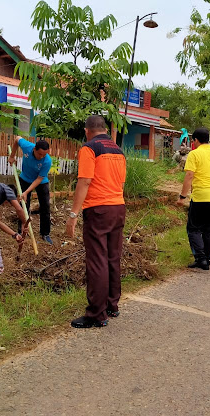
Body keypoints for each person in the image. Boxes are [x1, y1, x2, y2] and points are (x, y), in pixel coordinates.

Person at [66, 115, 127, 329]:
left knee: (97, 260)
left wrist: (73, 215)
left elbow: (84, 181)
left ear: (87, 130)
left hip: (98, 209)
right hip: (118, 207)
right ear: (104, 129)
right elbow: (120, 182)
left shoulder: (89, 148)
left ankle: (96, 314)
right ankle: (112, 305)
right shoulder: (118, 151)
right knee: (112, 257)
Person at [177, 127, 210, 270]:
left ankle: (200, 258)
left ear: (195, 140)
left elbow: (189, 176)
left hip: (200, 196)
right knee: (209, 230)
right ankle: (206, 260)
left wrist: (182, 196)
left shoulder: (194, 154)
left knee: (193, 228)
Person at [9, 137, 53, 245]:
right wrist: (12, 156)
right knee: (23, 205)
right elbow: (17, 139)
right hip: (25, 179)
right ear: (34, 149)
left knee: (45, 206)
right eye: (40, 154)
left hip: (41, 182)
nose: (42, 157)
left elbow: (39, 178)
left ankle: (45, 233)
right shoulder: (27, 146)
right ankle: (22, 230)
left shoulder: (47, 161)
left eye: (45, 154)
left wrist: (27, 192)